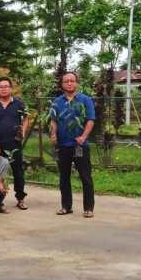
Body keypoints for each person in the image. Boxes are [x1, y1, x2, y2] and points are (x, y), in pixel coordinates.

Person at [49, 72, 96, 218]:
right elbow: (53, 120)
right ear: (62, 84)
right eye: (66, 81)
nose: (69, 83)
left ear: (76, 83)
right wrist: (53, 134)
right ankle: (66, 206)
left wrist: (83, 137)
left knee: (85, 177)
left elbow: (91, 120)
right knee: (64, 177)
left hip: (80, 145)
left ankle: (88, 208)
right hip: (63, 145)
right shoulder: (57, 102)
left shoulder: (85, 100)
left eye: (72, 81)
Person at [0, 77, 30, 210]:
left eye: (6, 86)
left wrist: (22, 132)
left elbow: (26, 119)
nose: (4, 89)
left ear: (11, 88)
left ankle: (20, 198)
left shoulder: (19, 104)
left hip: (14, 144)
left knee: (18, 171)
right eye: (1, 87)